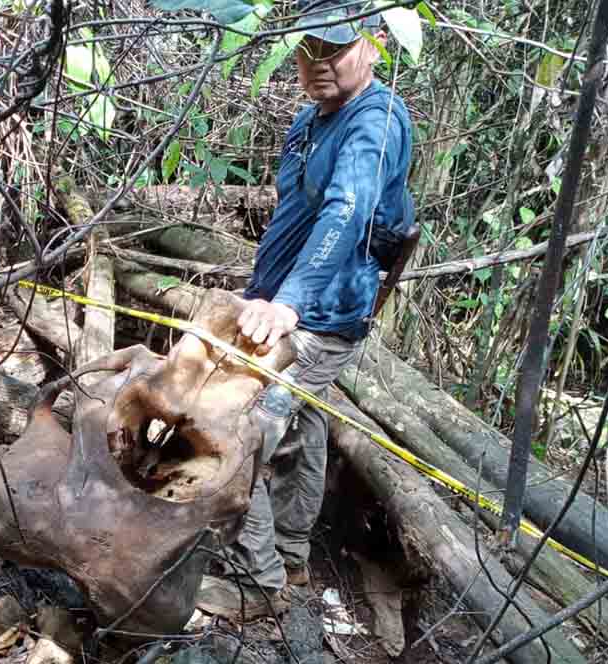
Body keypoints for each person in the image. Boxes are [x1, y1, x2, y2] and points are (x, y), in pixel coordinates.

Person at [195, 0, 417, 621]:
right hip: (290, 300)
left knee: (241, 426)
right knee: (305, 420)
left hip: (327, 314)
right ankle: (291, 546)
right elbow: (295, 216)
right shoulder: (310, 119)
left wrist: (290, 303)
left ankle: (257, 579)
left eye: (335, 49)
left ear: (372, 44)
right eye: (308, 49)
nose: (318, 63)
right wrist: (261, 289)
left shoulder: (377, 122)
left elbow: (347, 208)